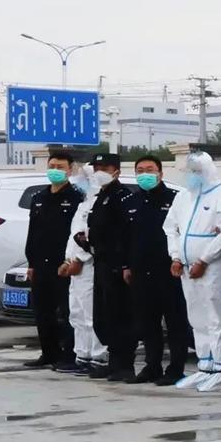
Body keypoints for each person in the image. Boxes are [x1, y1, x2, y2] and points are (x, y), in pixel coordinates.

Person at [163, 151, 221, 392]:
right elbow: (171, 228)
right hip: (186, 267)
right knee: (197, 317)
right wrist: (176, 256)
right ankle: (205, 365)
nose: (194, 176)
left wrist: (204, 260)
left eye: (198, 171)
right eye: (191, 171)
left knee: (217, 316)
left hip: (213, 267)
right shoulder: (183, 197)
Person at [121, 155, 190, 386]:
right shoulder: (131, 201)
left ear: (160, 173)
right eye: (140, 170)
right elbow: (126, 238)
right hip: (141, 271)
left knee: (175, 322)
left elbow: (180, 232)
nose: (145, 174)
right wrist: (126, 265)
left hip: (169, 270)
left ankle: (176, 368)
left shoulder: (175, 199)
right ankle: (152, 366)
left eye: (149, 169)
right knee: (147, 323)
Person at [24, 151, 84, 371]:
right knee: (43, 311)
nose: (55, 171)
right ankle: (49, 353)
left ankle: (69, 355)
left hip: (64, 263)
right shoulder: (39, 197)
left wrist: (73, 260)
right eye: (52, 166)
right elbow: (33, 231)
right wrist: (31, 263)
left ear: (70, 170)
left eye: (60, 167)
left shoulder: (77, 198)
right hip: (41, 263)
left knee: (68, 312)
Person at [85, 153, 134, 382]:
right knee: (103, 316)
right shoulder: (101, 196)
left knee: (120, 315)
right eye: (96, 168)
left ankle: (125, 365)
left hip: (117, 264)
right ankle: (113, 362)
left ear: (116, 171)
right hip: (101, 263)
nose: (98, 172)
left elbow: (125, 233)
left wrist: (124, 263)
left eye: (103, 168)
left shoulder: (122, 197)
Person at [58, 164, 108, 375]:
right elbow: (74, 236)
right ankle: (83, 355)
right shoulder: (83, 204)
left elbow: (92, 236)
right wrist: (67, 260)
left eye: (85, 178)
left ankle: (99, 357)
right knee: (77, 314)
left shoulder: (98, 204)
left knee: (91, 315)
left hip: (88, 267)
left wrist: (79, 259)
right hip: (75, 268)